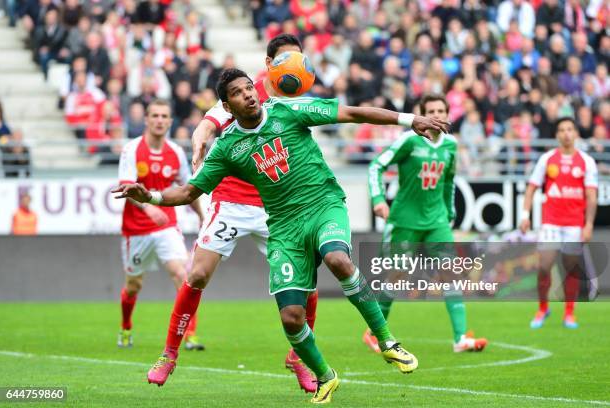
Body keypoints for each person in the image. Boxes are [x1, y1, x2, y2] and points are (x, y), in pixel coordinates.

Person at [113, 68, 449, 404]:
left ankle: (387, 342)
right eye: (239, 92)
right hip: (281, 224)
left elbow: (351, 112)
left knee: (337, 259)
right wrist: (151, 197)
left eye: (249, 88)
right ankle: (325, 376)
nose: (249, 94)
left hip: (322, 205)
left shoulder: (288, 110)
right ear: (228, 106)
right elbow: (189, 191)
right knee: (288, 316)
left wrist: (408, 120)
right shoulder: (228, 147)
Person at [188, 34, 319, 393]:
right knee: (197, 273)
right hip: (232, 199)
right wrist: (200, 137)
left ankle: (299, 357)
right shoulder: (248, 92)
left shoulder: (298, 98)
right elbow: (210, 120)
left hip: (278, 205)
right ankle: (169, 353)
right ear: (269, 64)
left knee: (309, 285)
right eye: (285, 60)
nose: (293, 67)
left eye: (298, 60)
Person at [365, 94, 488, 353]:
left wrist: (450, 210)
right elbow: (376, 165)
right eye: (431, 110)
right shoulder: (410, 140)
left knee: (450, 272)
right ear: (422, 114)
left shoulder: (451, 146)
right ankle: (374, 332)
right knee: (397, 276)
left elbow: (448, 181)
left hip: (436, 220)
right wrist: (378, 199)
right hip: (406, 220)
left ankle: (460, 338)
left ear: (447, 114)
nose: (437, 115)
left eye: (441, 110)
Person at [116, 99, 204, 350]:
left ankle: (190, 335)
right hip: (136, 230)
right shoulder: (132, 150)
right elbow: (126, 188)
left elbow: (190, 189)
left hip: (167, 226)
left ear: (170, 121)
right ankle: (126, 327)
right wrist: (149, 208)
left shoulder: (175, 152)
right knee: (134, 286)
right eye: (154, 115)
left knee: (183, 275)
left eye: (164, 116)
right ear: (146, 119)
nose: (159, 120)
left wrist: (201, 216)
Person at [520, 117, 598, 329]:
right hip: (551, 223)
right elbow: (531, 188)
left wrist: (588, 224)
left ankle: (569, 313)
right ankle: (543, 308)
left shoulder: (586, 162)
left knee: (571, 267)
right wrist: (525, 215)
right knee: (544, 266)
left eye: (570, 129)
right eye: (562, 130)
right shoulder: (547, 159)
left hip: (574, 224)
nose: (566, 133)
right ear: (556, 135)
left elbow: (591, 196)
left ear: (575, 134)